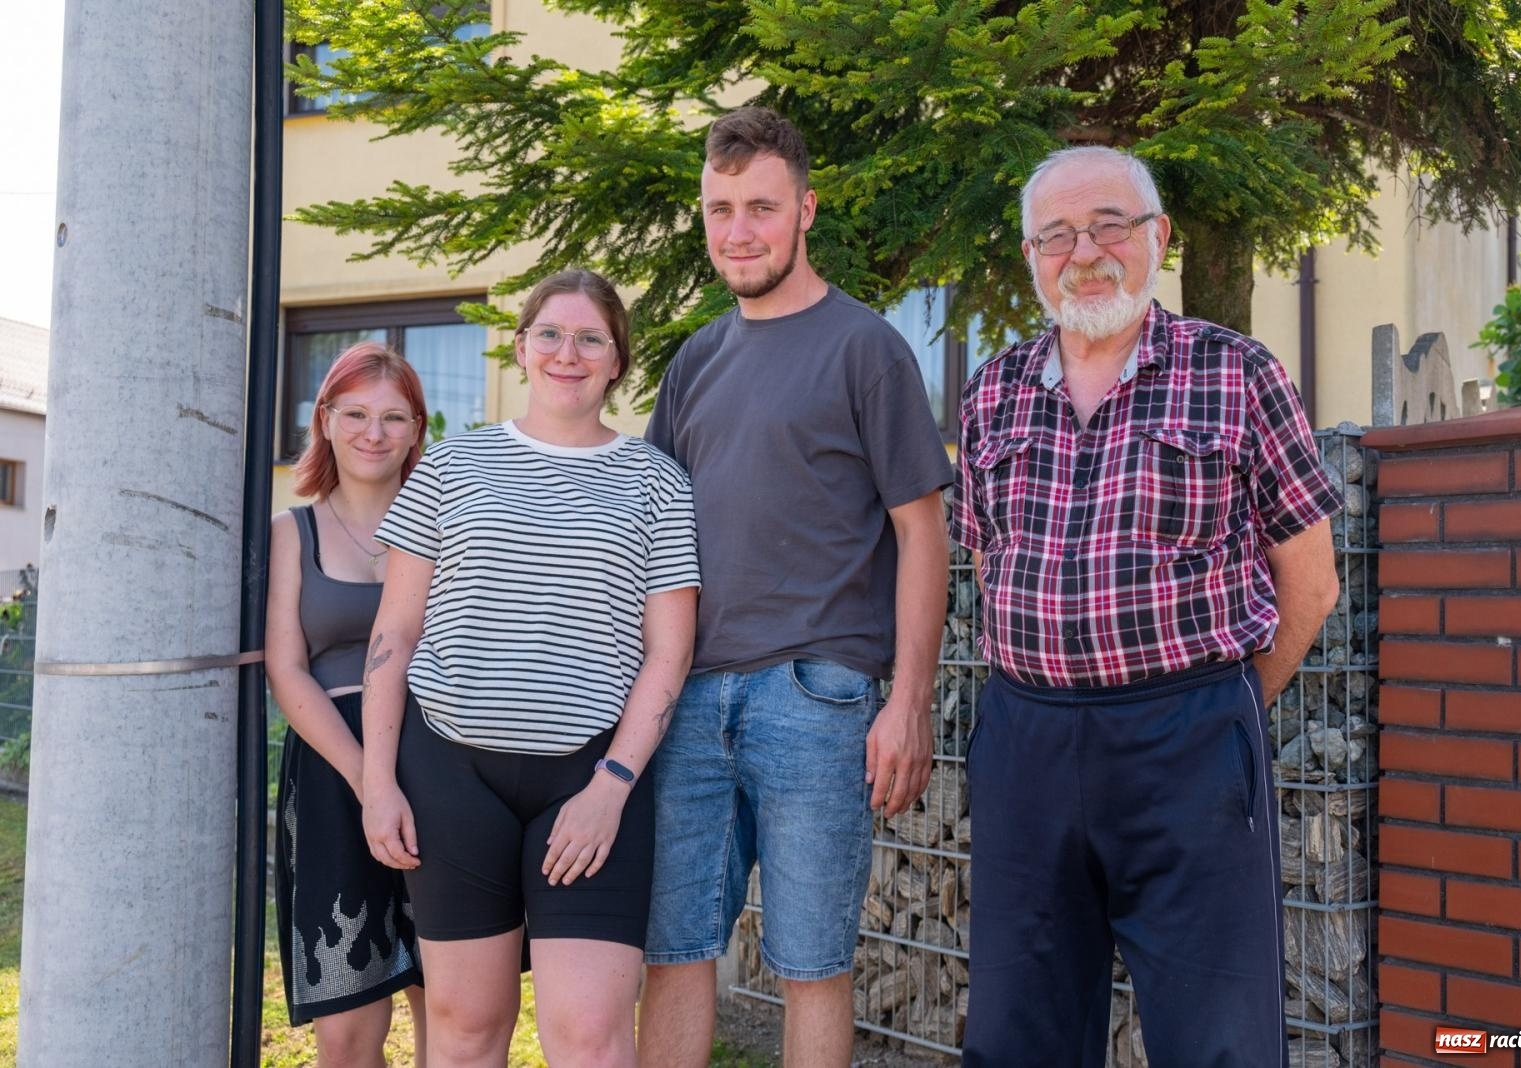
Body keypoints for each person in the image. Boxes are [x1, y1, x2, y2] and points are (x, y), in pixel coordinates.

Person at [951, 145, 1344, 1067]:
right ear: (1031, 257)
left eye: (1109, 226)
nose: (1084, 253)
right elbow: (985, 558)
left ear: (1159, 236)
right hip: (1025, 741)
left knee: (1218, 1042)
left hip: (1188, 742)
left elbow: (1312, 579)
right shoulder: (991, 393)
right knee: (1016, 1037)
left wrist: (1224, 707)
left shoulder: (1236, 372)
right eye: (1057, 235)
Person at [637, 106, 953, 1068]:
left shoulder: (866, 348)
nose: (739, 231)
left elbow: (923, 533)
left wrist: (909, 702)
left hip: (817, 699)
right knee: (673, 952)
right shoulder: (695, 359)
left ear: (805, 211)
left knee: (813, 965)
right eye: (720, 209)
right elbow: (652, 538)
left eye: (762, 208)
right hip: (690, 701)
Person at [360, 268, 699, 1068]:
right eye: (549, 333)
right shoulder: (451, 466)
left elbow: (669, 651)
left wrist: (612, 787)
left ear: (617, 361)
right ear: (520, 348)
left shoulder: (657, 481)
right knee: (466, 1030)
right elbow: (395, 632)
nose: (566, 353)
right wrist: (378, 782)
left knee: (590, 1037)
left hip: (589, 781)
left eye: (590, 339)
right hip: (450, 774)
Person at [265, 340, 429, 1067]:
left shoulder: (446, 527)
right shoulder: (291, 532)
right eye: (356, 413)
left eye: (393, 417)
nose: (374, 433)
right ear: (325, 420)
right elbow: (287, 670)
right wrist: (371, 781)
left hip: (439, 765)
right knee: (348, 1026)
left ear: (418, 430)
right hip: (335, 774)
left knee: (451, 1004)